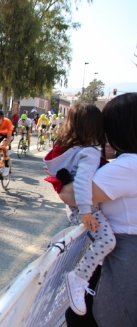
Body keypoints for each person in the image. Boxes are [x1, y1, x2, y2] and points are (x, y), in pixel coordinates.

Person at [59, 93, 137, 326]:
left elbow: (69, 195)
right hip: (122, 252)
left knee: (103, 315)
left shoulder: (126, 166)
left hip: (123, 254)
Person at [44, 104, 115, 317]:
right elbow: (84, 182)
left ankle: (59, 244)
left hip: (74, 207)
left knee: (88, 239)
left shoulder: (71, 150)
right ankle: (79, 277)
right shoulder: (91, 152)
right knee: (107, 241)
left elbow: (56, 171)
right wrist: (86, 210)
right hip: (87, 208)